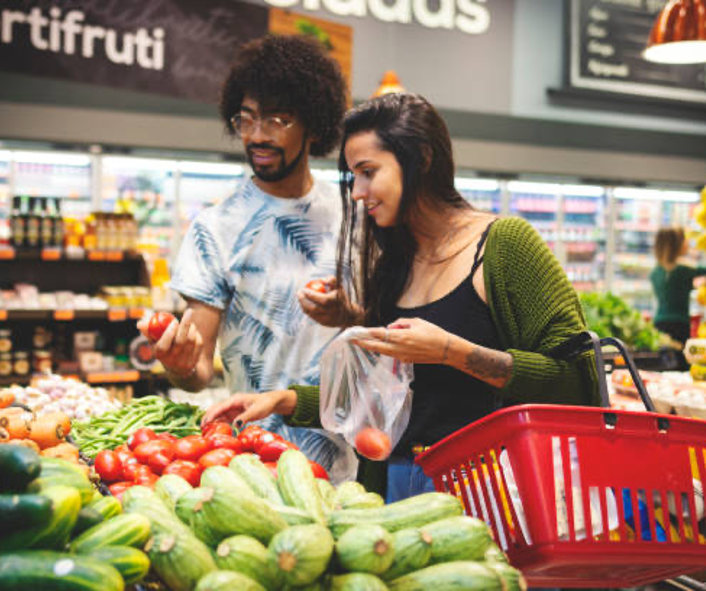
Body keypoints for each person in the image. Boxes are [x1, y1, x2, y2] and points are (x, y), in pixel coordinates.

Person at [203, 93, 599, 501]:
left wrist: (451, 351)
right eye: (353, 176)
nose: (357, 192)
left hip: (494, 492)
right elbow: (379, 396)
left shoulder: (504, 246)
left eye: (368, 172)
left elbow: (577, 382)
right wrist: (282, 399)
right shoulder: (394, 263)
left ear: (422, 159)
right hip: (393, 486)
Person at [137, 35, 349, 471]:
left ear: (313, 123)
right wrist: (178, 365)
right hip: (253, 458)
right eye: (246, 119)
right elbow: (196, 372)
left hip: (352, 453)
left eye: (276, 120)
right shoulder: (214, 229)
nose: (256, 135)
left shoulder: (354, 215)